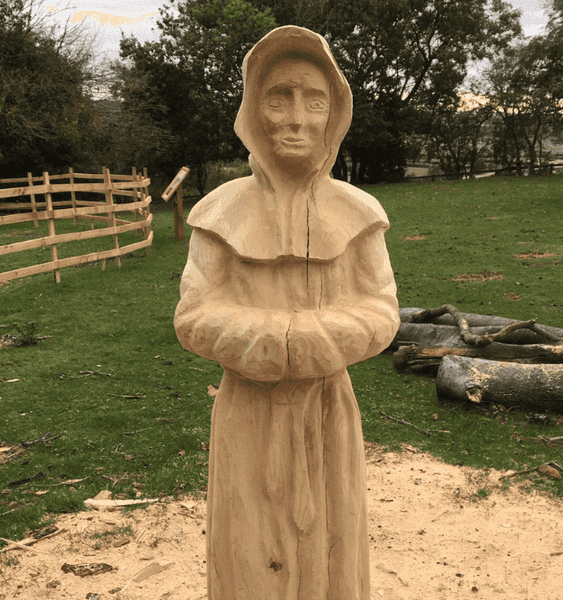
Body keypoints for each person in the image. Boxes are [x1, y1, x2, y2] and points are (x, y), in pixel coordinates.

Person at [174, 25, 400, 600]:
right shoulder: (219, 212)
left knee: (332, 543)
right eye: (280, 97)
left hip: (328, 409)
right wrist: (277, 339)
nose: (297, 117)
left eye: (314, 99)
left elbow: (382, 308)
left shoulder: (358, 212)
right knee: (247, 549)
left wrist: (317, 340)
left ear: (334, 116)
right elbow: (193, 314)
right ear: (254, 111)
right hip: (246, 411)